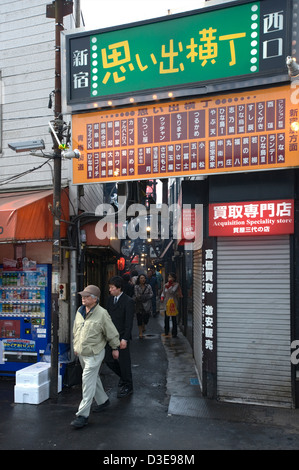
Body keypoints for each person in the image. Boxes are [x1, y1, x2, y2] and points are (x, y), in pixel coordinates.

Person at [71, 285, 120, 429]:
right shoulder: (79, 311)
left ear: (95, 299)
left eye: (86, 296)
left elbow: (111, 332)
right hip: (82, 352)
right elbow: (76, 330)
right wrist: (76, 346)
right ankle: (103, 401)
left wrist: (115, 347)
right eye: (83, 296)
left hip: (95, 353)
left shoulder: (102, 313)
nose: (83, 298)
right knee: (93, 379)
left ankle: (83, 415)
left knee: (87, 382)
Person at [105, 276, 135, 398]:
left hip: (122, 336)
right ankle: (123, 378)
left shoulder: (128, 301)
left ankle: (128, 385)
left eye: (112, 288)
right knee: (108, 360)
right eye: (110, 288)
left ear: (119, 288)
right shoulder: (109, 300)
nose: (110, 290)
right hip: (110, 336)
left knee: (124, 362)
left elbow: (128, 322)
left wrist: (125, 339)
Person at [161, 272, 182, 338]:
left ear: (174, 278)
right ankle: (166, 331)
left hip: (173, 302)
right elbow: (163, 293)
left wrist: (169, 286)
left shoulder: (176, 285)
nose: (169, 278)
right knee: (166, 317)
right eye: (169, 277)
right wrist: (162, 298)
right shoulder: (165, 285)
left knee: (173, 318)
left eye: (171, 277)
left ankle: (174, 333)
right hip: (166, 302)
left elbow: (172, 291)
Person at [133, 274, 153, 338]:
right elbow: (136, 295)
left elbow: (151, 294)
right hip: (139, 304)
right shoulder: (136, 287)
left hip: (147, 303)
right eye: (141, 278)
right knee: (139, 317)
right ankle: (140, 332)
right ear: (139, 279)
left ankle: (144, 324)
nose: (143, 279)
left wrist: (146, 297)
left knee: (146, 317)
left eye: (144, 278)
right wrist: (143, 297)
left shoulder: (148, 286)